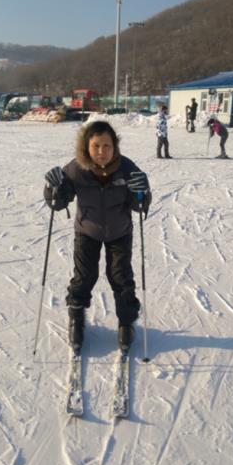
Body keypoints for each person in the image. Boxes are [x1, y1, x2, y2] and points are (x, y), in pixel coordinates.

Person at [44, 120, 152, 349]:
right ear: (87, 146)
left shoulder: (126, 168)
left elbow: (139, 206)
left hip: (119, 232)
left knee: (121, 278)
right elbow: (59, 202)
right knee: (84, 276)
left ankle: (126, 321)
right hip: (87, 231)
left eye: (107, 146)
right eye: (96, 146)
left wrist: (143, 192)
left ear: (115, 147)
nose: (101, 151)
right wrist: (52, 188)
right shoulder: (76, 169)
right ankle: (76, 317)